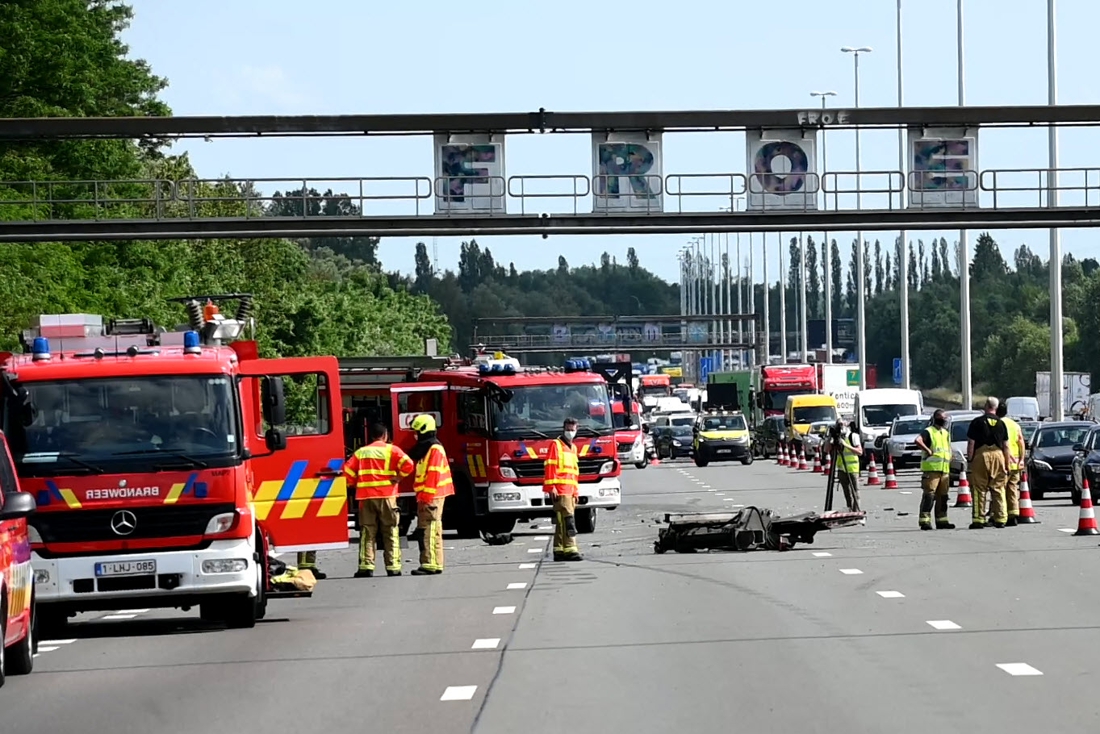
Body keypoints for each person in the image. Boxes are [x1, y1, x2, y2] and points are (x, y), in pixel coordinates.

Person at [345, 422, 415, 578]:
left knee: (367, 532)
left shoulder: (361, 452)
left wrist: (355, 483)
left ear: (371, 436)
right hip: (387, 496)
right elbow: (409, 465)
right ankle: (393, 567)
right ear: (385, 435)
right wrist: (397, 478)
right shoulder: (392, 450)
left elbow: (347, 470)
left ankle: (366, 567)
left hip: (366, 497)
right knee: (390, 531)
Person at [408, 414, 453, 575]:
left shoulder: (434, 448)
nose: (414, 435)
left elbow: (433, 474)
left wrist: (425, 496)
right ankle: (433, 562)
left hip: (431, 496)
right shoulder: (428, 448)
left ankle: (430, 563)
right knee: (430, 529)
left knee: (429, 530)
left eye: (416, 431)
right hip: (429, 495)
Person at [966, 397, 1010, 529]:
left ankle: (979, 519)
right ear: (996, 408)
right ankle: (1001, 518)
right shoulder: (1001, 424)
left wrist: (970, 459)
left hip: (981, 455)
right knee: (998, 488)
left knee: (979, 488)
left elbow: (971, 443)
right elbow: (1006, 446)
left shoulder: (977, 422)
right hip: (998, 456)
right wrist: (1006, 464)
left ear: (986, 406)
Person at [545, 417, 583, 561]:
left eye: (572, 430)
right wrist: (551, 487)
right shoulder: (556, 445)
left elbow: (574, 473)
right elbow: (550, 467)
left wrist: (575, 491)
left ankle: (559, 549)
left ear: (576, 430)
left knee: (562, 521)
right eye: (567, 429)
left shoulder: (573, 448)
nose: (570, 432)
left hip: (570, 491)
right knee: (569, 521)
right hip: (560, 490)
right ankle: (571, 549)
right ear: (563, 429)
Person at [914, 410, 956, 530]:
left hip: (944, 469)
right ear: (937, 418)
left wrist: (950, 457)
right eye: (943, 418)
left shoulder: (945, 433)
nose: (945, 420)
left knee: (943, 496)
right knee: (929, 495)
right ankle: (924, 520)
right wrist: (928, 451)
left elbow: (948, 448)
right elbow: (918, 440)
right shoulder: (929, 431)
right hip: (931, 469)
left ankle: (942, 520)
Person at [995, 403, 1026, 526]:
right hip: (1015, 464)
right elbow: (1021, 443)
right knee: (1012, 489)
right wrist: (1022, 459)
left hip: (1002, 462)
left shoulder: (996, 424)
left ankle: (1000, 514)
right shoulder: (1014, 425)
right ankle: (1013, 514)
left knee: (999, 489)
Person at [832, 419, 863, 514]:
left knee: (855, 492)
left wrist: (846, 445)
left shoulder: (853, 436)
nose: (841, 426)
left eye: (842, 424)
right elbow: (826, 449)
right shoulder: (837, 438)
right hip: (841, 469)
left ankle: (856, 510)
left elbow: (860, 452)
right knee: (847, 492)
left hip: (852, 468)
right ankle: (849, 508)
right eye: (839, 424)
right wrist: (830, 437)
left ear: (847, 425)